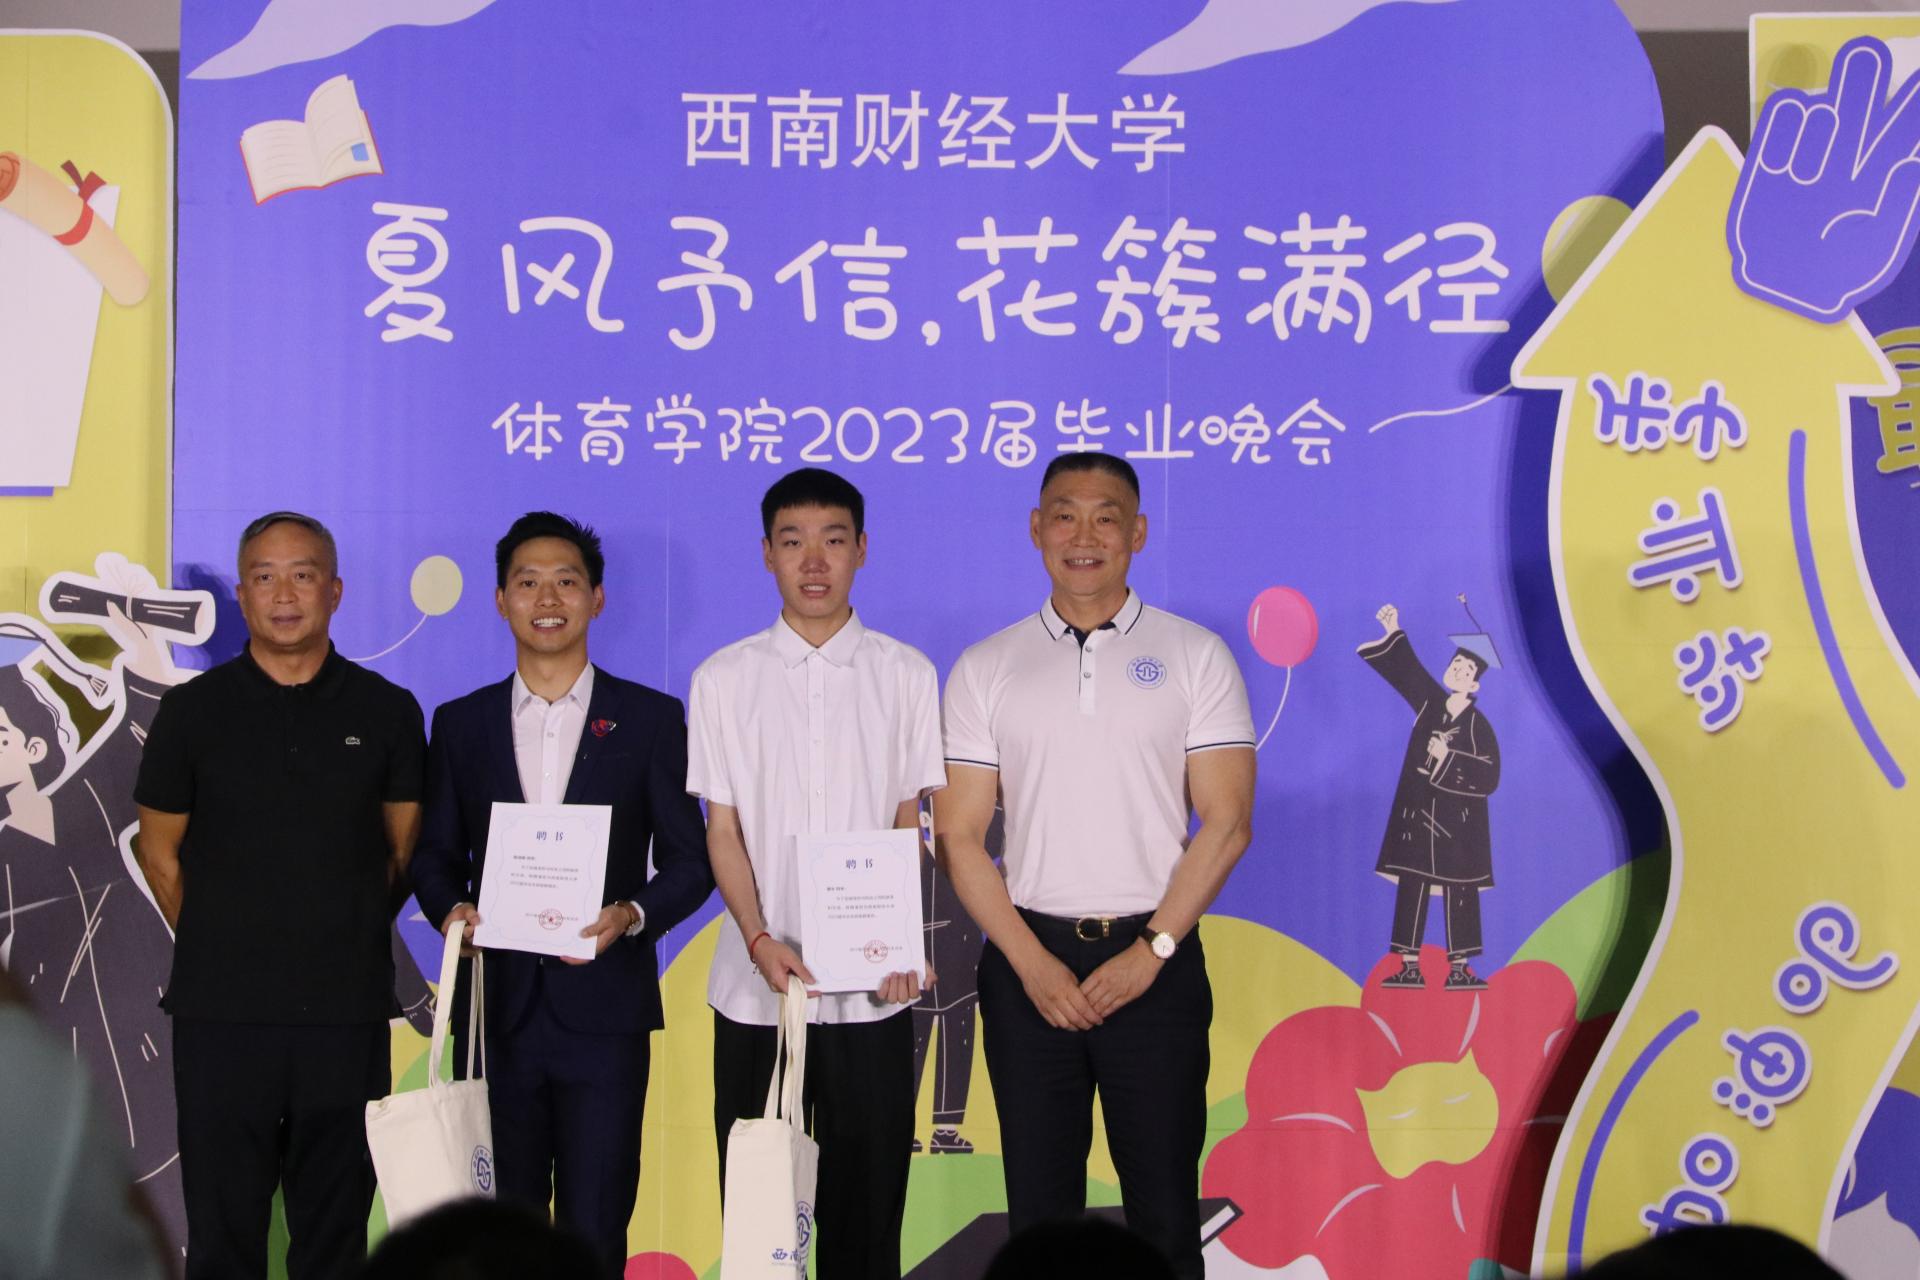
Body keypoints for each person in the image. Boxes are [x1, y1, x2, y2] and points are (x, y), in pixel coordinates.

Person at [935, 454, 1256, 1280]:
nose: (1084, 536)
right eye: (1064, 515)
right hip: (1027, 964)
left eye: (1106, 517)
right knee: (1040, 1220)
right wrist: (1030, 962)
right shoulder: (987, 665)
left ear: (1137, 532)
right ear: (1036, 529)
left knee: (1166, 1215)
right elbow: (959, 836)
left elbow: (1226, 823)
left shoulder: (1195, 654)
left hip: (1155, 962)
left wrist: (1152, 950)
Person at [410, 512, 713, 1280]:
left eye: (566, 582)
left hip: (605, 1015)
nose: (548, 599)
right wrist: (452, 911)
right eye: (528, 582)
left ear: (596, 598)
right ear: (501, 600)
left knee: (596, 1228)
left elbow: (691, 861)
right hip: (495, 1015)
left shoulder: (649, 720)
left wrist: (632, 915)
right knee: (497, 1236)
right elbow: (434, 855)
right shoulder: (461, 724)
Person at [134, 511, 426, 1280]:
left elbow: (401, 851)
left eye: (303, 575)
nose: (284, 594)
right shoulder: (192, 711)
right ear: (242, 594)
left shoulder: (386, 710)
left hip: (345, 1015)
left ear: (335, 591)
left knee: (333, 1236)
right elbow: (158, 853)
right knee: (223, 1236)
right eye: (265, 577)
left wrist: (335, 928)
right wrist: (226, 941)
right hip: (222, 1018)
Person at [688, 468, 944, 1279]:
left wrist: (901, 943)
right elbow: (722, 831)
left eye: (833, 540)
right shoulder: (723, 678)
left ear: (861, 549)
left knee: (867, 1225)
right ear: (766, 554)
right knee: (763, 1228)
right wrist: (758, 938)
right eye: (792, 541)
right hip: (756, 995)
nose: (814, 561)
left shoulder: (907, 674)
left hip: (872, 998)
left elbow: (909, 822)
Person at [1357, 603, 1501, 991]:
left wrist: (1448, 757)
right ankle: (1409, 965)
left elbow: (1489, 774)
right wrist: (1394, 631)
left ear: (1475, 685)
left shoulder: (1479, 725)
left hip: (1459, 823)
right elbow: (1411, 673)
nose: (1458, 671)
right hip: (1419, 815)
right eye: (1456, 664)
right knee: (1413, 883)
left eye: (1467, 670)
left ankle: (1460, 968)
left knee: (1461, 889)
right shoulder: (1431, 703)